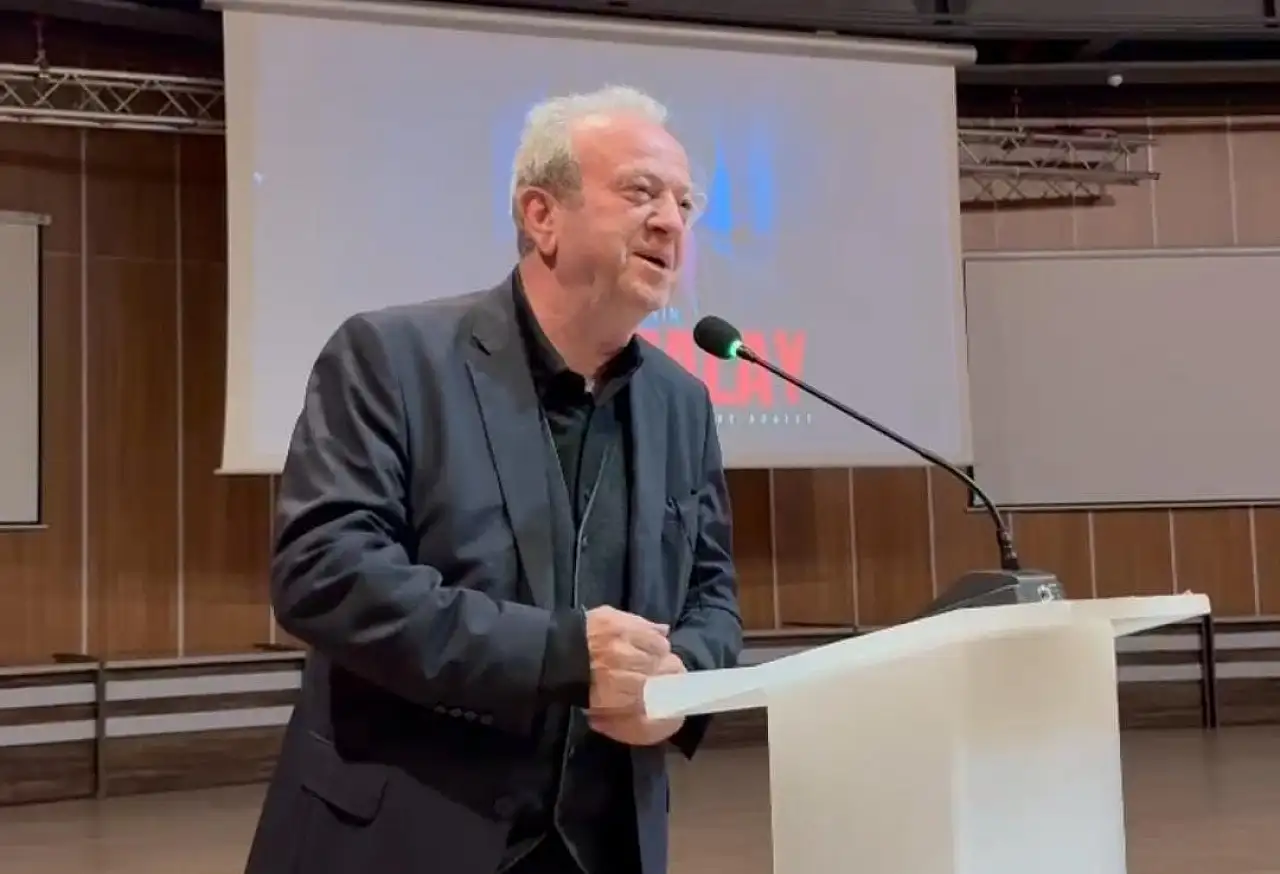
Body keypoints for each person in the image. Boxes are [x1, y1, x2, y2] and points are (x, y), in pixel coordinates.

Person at [243, 85, 744, 874]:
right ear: (542, 216)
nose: (671, 222)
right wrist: (559, 654)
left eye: (685, 203)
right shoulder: (392, 358)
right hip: (405, 839)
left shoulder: (681, 404)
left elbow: (712, 597)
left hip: (605, 845)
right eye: (640, 192)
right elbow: (326, 573)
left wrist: (681, 683)